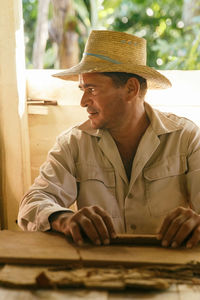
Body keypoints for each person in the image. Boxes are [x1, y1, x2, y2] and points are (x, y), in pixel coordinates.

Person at [18, 30, 200, 249]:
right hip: (98, 273)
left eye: (92, 89)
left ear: (130, 89)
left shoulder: (187, 138)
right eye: (82, 89)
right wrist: (64, 219)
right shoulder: (73, 143)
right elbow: (32, 203)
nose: (84, 101)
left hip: (173, 275)